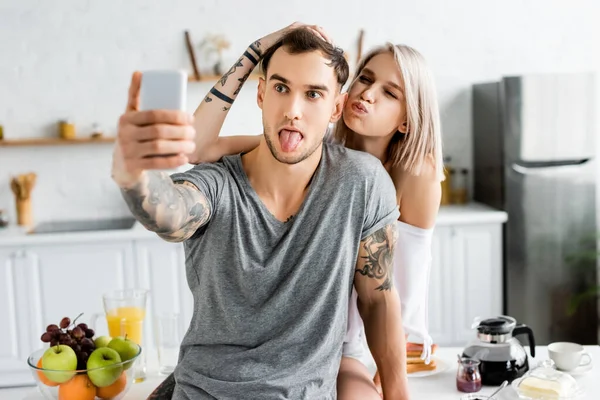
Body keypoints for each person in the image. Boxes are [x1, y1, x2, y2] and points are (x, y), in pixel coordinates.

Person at [112, 27, 410, 399]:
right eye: (281, 88)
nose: (292, 111)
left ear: (336, 107)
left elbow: (378, 299)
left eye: (313, 94)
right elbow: (168, 216)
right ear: (261, 93)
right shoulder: (218, 182)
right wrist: (132, 173)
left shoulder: (362, 182)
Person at [189, 23, 444, 400]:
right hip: (296, 349)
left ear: (407, 119)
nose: (368, 95)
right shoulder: (307, 146)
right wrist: (257, 50)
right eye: (365, 79)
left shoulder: (416, 174)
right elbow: (197, 148)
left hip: (358, 348)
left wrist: (394, 379)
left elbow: (397, 291)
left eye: (389, 93)